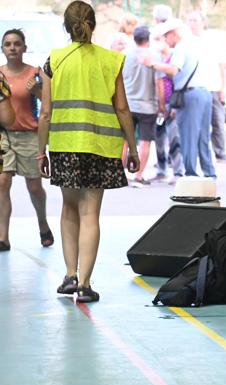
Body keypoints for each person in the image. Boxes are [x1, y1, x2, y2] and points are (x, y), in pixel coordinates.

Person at [37, 0, 140, 303]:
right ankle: (85, 284)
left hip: (65, 146)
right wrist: (132, 149)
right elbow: (122, 108)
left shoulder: (54, 61)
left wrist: (41, 152)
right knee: (90, 213)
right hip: (100, 147)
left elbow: (45, 113)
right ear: (92, 25)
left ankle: (69, 275)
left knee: (69, 209)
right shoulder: (111, 61)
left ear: (66, 27)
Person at [0, 29, 54, 251]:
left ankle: (42, 223)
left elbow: (49, 105)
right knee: (2, 182)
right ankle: (3, 235)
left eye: (17, 44)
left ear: (24, 47)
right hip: (3, 136)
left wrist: (38, 90)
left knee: (34, 187)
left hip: (29, 135)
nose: (12, 47)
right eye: (8, 44)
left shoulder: (35, 73)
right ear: (3, 49)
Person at [148, 18, 214, 178]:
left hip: (190, 96)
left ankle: (191, 174)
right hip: (205, 93)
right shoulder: (197, 44)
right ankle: (209, 173)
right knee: (203, 137)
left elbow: (173, 70)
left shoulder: (181, 47)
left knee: (188, 136)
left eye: (166, 36)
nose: (165, 40)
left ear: (174, 34)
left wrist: (153, 65)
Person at [186, 11, 226, 163]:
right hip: (195, 89)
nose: (193, 23)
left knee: (218, 122)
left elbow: (221, 66)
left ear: (203, 22)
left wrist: (223, 88)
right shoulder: (186, 42)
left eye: (195, 20)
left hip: (213, 88)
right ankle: (199, 154)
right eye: (190, 20)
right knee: (197, 124)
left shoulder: (211, 40)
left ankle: (220, 153)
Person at [122, 26, 160, 186]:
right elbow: (158, 82)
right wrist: (161, 103)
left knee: (123, 140)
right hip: (148, 106)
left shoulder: (125, 55)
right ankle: (138, 175)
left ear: (134, 38)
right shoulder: (154, 56)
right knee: (145, 141)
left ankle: (121, 174)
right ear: (148, 39)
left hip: (128, 104)